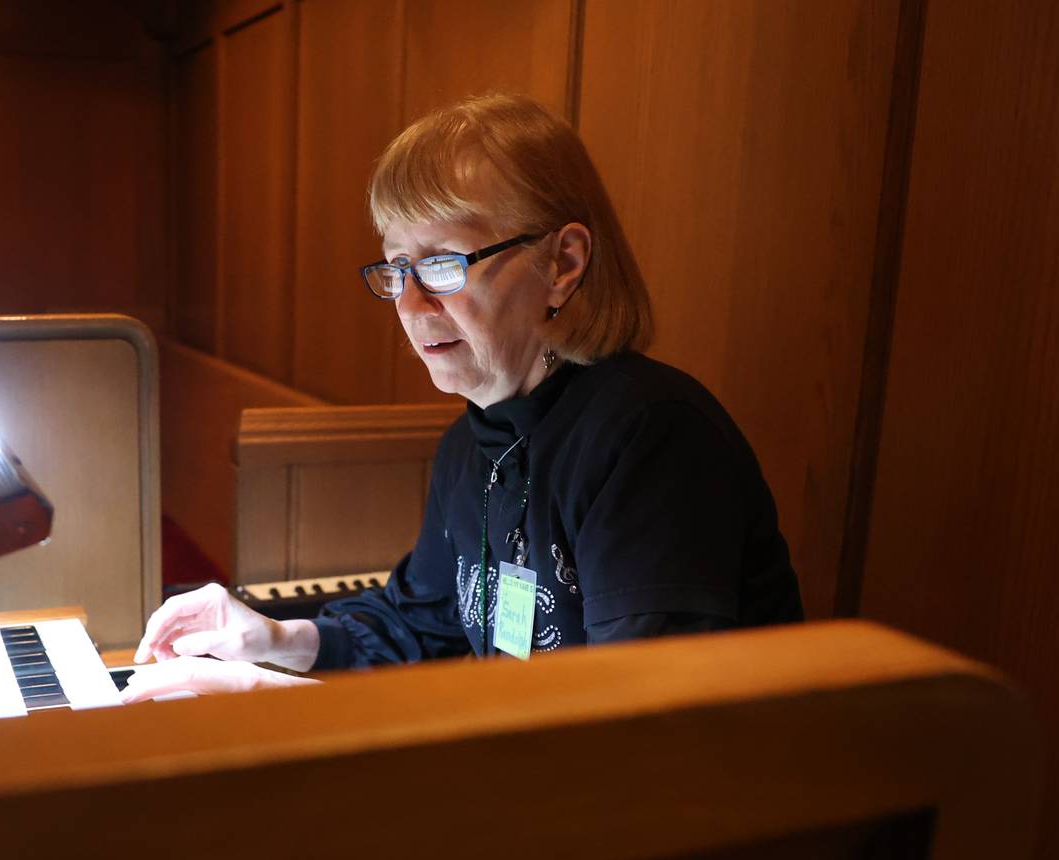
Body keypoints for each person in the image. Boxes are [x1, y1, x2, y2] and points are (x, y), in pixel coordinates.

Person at [121, 93, 802, 703]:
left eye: (443, 264)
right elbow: (427, 622)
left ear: (562, 264)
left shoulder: (650, 438)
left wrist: (276, 702)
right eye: (396, 269)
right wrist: (275, 640)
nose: (411, 304)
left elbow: (633, 727)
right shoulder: (473, 443)